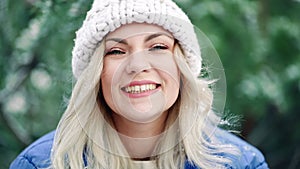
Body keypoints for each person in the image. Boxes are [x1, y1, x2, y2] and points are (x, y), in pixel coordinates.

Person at [10, 0, 269, 168]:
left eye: (157, 47)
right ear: (95, 74)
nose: (137, 65)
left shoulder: (241, 162)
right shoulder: (40, 163)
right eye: (116, 51)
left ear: (182, 67)